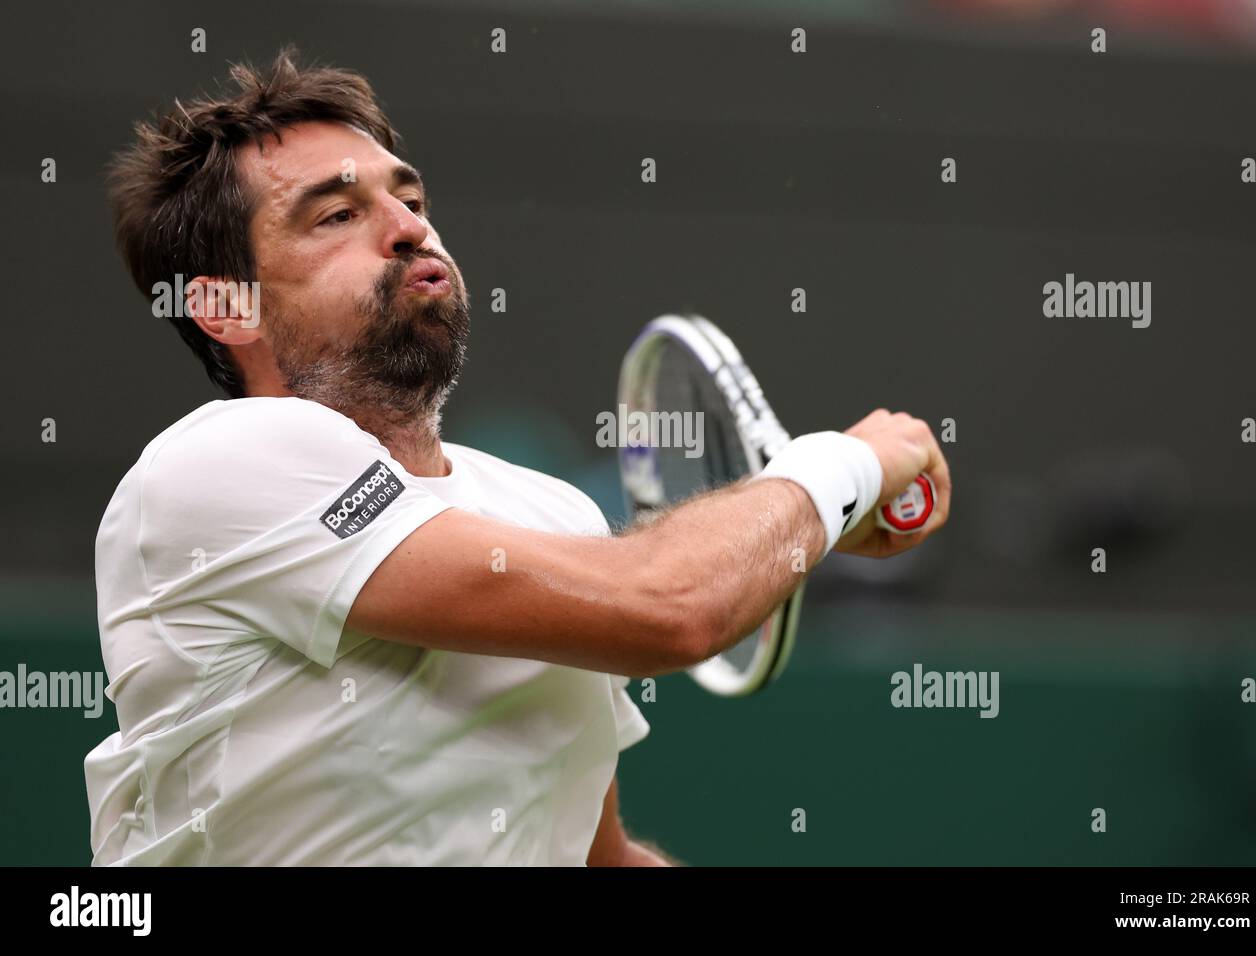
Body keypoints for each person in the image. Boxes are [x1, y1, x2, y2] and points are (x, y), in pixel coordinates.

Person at [85, 47, 950, 866]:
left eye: (411, 200)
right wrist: (848, 463)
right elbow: (671, 607)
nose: (407, 229)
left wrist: (801, 513)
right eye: (338, 214)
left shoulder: (551, 513)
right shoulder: (220, 459)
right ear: (225, 307)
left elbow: (597, 859)